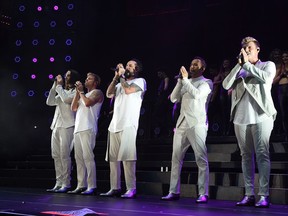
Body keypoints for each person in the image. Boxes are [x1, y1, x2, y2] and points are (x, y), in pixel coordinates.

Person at [222, 36, 277, 208]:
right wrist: (239, 66)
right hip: (240, 117)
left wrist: (246, 65)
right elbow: (225, 85)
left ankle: (264, 195)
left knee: (262, 154)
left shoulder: (267, 65)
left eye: (250, 47)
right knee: (245, 156)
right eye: (244, 48)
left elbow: (267, 78)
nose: (246, 50)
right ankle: (249, 194)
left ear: (257, 49)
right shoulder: (240, 68)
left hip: (261, 115)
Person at [161, 57, 213, 203]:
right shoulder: (185, 81)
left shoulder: (206, 82)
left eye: (196, 64)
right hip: (182, 123)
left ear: (202, 68)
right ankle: (173, 191)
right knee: (176, 157)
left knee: (200, 158)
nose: (192, 66)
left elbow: (197, 95)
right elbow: (173, 98)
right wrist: (180, 81)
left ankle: (203, 193)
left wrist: (185, 80)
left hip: (197, 123)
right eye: (191, 64)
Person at [100, 59, 147, 199]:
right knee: (113, 160)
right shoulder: (120, 83)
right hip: (115, 124)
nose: (127, 67)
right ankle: (115, 187)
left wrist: (120, 77)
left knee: (128, 158)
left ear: (137, 69)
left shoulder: (140, 81)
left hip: (128, 123)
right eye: (126, 65)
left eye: (130, 65)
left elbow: (128, 90)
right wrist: (116, 77)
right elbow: (108, 93)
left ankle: (131, 188)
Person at [68, 72, 104, 195]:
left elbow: (88, 103)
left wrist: (81, 92)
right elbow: (73, 108)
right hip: (78, 129)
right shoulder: (83, 94)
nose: (86, 80)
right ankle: (81, 185)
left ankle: (92, 186)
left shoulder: (97, 92)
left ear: (95, 82)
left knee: (88, 157)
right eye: (86, 78)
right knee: (78, 158)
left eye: (89, 79)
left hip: (88, 128)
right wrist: (78, 93)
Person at [46, 69, 80, 193]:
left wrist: (59, 87)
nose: (66, 77)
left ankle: (66, 183)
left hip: (68, 125)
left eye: (69, 75)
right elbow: (49, 102)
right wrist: (54, 86)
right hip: (56, 126)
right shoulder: (62, 91)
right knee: (56, 155)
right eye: (66, 75)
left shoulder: (75, 91)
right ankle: (58, 182)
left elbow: (66, 100)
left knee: (64, 155)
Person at [273, 50, 288, 141]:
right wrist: (282, 74)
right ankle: (286, 134)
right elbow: (273, 82)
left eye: (286, 57)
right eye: (283, 57)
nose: (284, 58)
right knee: (283, 113)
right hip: (281, 90)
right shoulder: (281, 67)